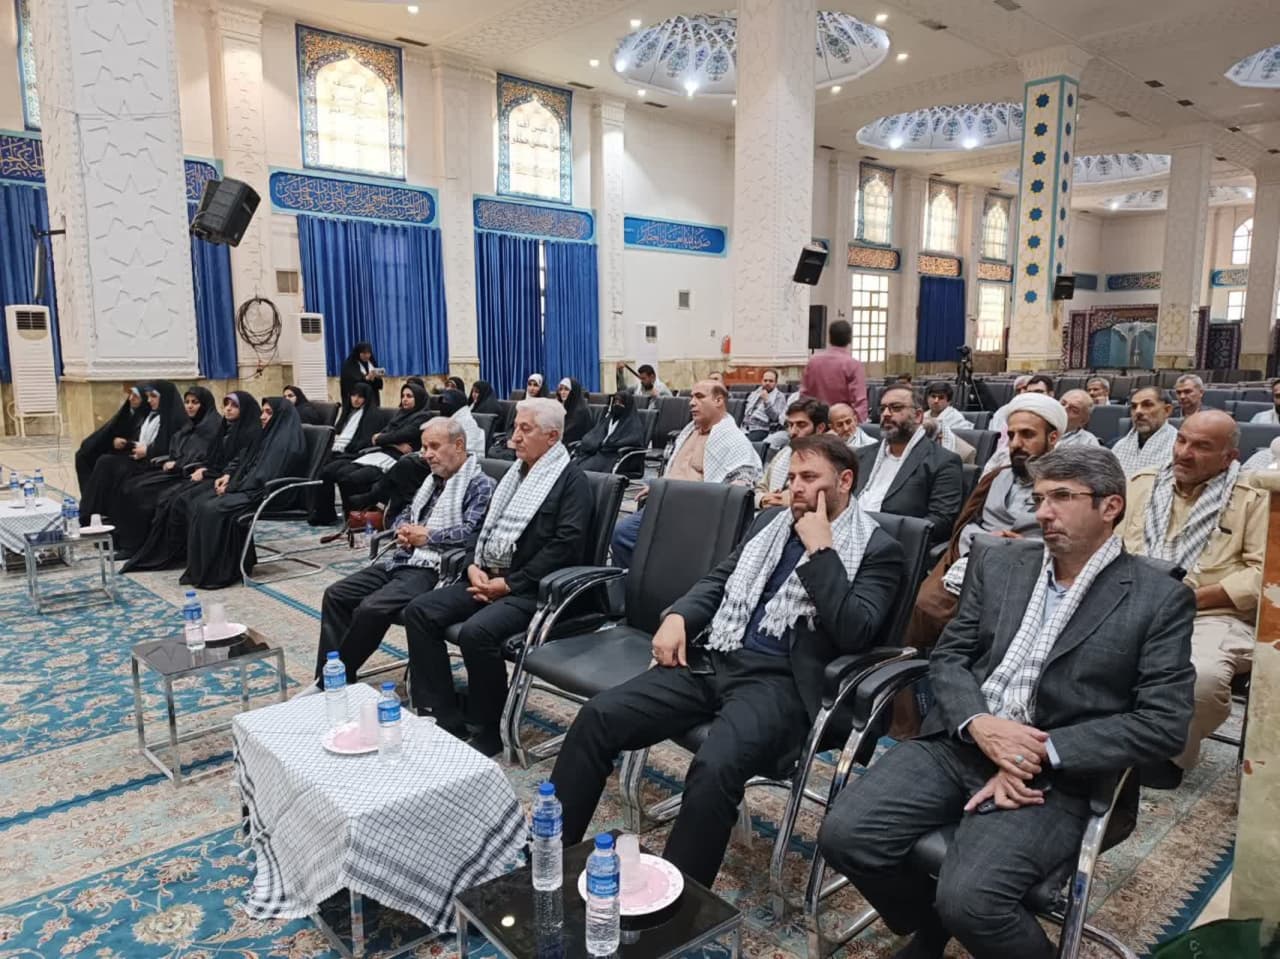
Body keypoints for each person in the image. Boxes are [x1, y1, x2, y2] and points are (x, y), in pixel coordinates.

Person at [818, 445, 1196, 959]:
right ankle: (929, 925)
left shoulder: (1157, 597)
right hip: (962, 739)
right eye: (1039, 498)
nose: (1043, 513)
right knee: (845, 836)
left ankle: (961, 924)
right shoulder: (1001, 563)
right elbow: (950, 656)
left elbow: (1164, 722)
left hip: (1057, 773)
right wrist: (978, 723)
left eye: (1062, 497)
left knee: (972, 901)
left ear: (1110, 506)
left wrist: (1036, 751)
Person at [551, 433, 903, 888]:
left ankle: (679, 906)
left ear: (845, 481)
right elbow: (720, 580)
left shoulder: (878, 549)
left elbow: (856, 631)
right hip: (717, 656)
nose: (796, 487)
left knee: (714, 767)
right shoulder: (771, 523)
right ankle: (549, 855)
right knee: (598, 716)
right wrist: (678, 616)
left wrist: (822, 551)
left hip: (782, 684)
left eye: (809, 477)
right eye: (792, 476)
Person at [402, 398, 591, 754]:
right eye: (515, 427)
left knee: (477, 633)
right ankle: (441, 715)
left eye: (525, 429)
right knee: (420, 612)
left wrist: (509, 584)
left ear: (552, 437)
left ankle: (487, 726)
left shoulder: (571, 481)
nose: (514, 437)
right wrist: (472, 565)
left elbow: (564, 548)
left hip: (534, 590)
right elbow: (483, 529)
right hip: (486, 575)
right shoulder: (514, 475)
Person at [1122, 410, 1265, 777]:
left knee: (1199, 678)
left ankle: (1165, 758)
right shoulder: (1142, 484)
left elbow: (1263, 574)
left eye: (1201, 446)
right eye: (1181, 440)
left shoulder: (1254, 497)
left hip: (1211, 612)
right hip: (1134, 599)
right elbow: (1111, 545)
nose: (1184, 453)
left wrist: (1190, 599)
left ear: (1229, 457)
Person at [304, 418, 497, 689]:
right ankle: (333, 676)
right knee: (337, 594)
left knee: (372, 608)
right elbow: (407, 511)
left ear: (459, 445)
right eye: (424, 447)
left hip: (435, 568)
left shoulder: (480, 484)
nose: (426, 454)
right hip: (404, 558)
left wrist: (428, 536)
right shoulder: (432, 480)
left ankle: (330, 682)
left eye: (434, 446)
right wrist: (403, 528)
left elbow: (473, 534)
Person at [906, 393, 1062, 650]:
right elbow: (965, 524)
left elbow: (1074, 542)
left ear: (1053, 437)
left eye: (1027, 435)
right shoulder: (996, 477)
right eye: (1011, 435)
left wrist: (1022, 547)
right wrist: (986, 542)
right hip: (976, 556)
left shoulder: (1068, 487)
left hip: (1032, 569)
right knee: (926, 606)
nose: (1016, 444)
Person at [610, 381, 760, 568]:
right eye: (691, 397)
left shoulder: (734, 440)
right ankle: (631, 580)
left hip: (692, 513)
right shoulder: (689, 432)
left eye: (699, 397)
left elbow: (743, 483)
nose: (691, 402)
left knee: (650, 546)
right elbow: (675, 468)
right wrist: (659, 484)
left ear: (718, 401)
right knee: (621, 534)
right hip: (663, 503)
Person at [121, 392, 263, 573]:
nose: (228, 409)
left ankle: (187, 556)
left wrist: (210, 472)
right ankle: (169, 552)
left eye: (234, 406)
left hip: (229, 480)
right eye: (226, 404)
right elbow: (213, 457)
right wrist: (205, 468)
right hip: (214, 475)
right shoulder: (226, 428)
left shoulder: (250, 432)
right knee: (171, 498)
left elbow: (241, 463)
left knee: (187, 501)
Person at [180, 397, 309, 589]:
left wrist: (232, 488)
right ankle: (211, 569)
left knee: (213, 509)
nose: (262, 416)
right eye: (262, 411)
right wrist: (229, 476)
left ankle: (218, 573)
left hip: (272, 494)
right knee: (201, 503)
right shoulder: (266, 435)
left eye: (268, 412)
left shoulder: (285, 444)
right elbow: (244, 461)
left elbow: (264, 477)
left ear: (281, 416)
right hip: (254, 489)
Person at [108, 387, 222, 556]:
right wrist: (172, 461)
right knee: (129, 486)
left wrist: (179, 465)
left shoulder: (213, 427)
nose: (190, 406)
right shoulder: (189, 425)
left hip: (190, 476)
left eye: (195, 402)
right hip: (175, 471)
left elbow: (208, 460)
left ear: (204, 404)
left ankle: (139, 546)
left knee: (141, 492)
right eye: (187, 402)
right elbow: (177, 449)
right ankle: (128, 542)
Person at [853, 385, 963, 545]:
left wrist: (883, 534)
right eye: (883, 409)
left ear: (918, 416)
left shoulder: (943, 462)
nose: (886, 414)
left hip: (893, 544)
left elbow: (941, 521)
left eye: (896, 408)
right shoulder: (863, 455)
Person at [80, 382, 187, 519]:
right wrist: (128, 444)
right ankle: (93, 511)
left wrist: (149, 451)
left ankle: (94, 513)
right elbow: (145, 441)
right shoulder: (152, 415)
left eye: (153, 396)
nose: (149, 400)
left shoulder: (174, 420)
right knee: (104, 460)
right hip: (143, 458)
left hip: (156, 464)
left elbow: (170, 447)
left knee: (110, 466)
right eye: (148, 396)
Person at [75, 387, 148, 496]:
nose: (131, 398)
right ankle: (88, 498)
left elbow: (144, 442)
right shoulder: (127, 411)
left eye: (136, 396)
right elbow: (108, 431)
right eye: (131, 394)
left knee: (104, 462)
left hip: (132, 454)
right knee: (83, 455)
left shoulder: (147, 415)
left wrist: (125, 444)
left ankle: (94, 500)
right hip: (117, 448)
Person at [755, 398, 828, 508]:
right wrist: (763, 499)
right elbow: (760, 487)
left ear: (820, 428)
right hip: (767, 513)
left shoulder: (828, 460)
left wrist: (790, 501)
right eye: (790, 425)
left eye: (801, 425)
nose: (792, 432)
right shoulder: (784, 452)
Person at [800, 319, 868, 421]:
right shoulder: (853, 364)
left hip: (815, 420)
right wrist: (858, 422)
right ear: (850, 339)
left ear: (829, 338)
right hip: (841, 421)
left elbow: (804, 394)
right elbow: (859, 400)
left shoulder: (812, 361)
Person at [574, 391, 646, 473]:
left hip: (615, 456)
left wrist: (609, 444)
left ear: (628, 405)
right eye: (615, 402)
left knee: (582, 470)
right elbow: (595, 433)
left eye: (620, 403)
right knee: (574, 466)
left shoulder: (633, 423)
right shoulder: (609, 419)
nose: (617, 405)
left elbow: (632, 440)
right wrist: (595, 443)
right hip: (599, 453)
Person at [1113, 386, 1177, 477]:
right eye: (1134, 407)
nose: (1138, 411)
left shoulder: (1178, 448)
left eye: (1147, 405)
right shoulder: (1119, 447)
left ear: (1167, 410)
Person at [741, 369, 789, 442]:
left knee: (744, 443)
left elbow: (776, 418)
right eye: (765, 380)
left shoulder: (779, 396)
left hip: (762, 428)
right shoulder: (755, 393)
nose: (767, 383)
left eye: (771, 381)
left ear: (776, 383)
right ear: (761, 381)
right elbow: (747, 412)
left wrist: (767, 401)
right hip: (745, 427)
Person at [441, 388, 486, 456]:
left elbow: (466, 451)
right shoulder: (445, 419)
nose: (443, 405)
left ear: (456, 403)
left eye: (446, 402)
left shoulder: (468, 423)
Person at [339, 342, 382, 411]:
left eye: (368, 353)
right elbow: (351, 384)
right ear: (358, 353)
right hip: (356, 403)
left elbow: (379, 385)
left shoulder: (371, 363)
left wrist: (375, 379)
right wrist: (366, 378)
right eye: (364, 353)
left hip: (372, 401)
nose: (367, 356)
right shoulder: (350, 365)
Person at [557, 377, 593, 445]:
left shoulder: (581, 410)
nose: (562, 392)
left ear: (573, 391)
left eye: (566, 389)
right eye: (561, 389)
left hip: (574, 445)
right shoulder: (566, 406)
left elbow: (568, 432)